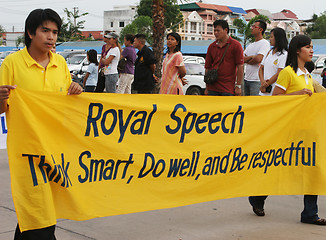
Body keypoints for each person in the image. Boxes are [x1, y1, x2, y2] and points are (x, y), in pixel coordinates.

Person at [0, 8, 83, 239]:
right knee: (38, 211)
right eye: (45, 30)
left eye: (55, 32)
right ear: (30, 32)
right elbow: (1, 108)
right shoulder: (12, 63)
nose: (51, 37)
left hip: (56, 150)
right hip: (26, 151)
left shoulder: (61, 64)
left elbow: (68, 104)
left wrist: (76, 90)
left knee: (43, 213)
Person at [249, 35, 326, 225]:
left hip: (306, 131)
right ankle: (257, 197)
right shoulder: (288, 73)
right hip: (288, 132)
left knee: (312, 170)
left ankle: (310, 213)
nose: (311, 50)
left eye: (311, 47)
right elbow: (277, 100)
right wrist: (297, 94)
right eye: (308, 47)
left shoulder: (307, 75)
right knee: (279, 170)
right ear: (297, 50)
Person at [205, 19, 244, 96]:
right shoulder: (211, 46)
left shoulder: (236, 45)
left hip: (228, 88)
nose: (215, 33)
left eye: (218, 31)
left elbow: (240, 66)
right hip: (212, 87)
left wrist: (238, 86)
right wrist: (207, 88)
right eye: (214, 30)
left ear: (226, 30)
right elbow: (207, 67)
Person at [244, 20, 270, 96]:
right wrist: (252, 57)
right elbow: (242, 59)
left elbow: (259, 59)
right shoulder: (251, 45)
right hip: (246, 79)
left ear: (260, 29)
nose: (252, 28)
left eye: (254, 26)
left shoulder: (264, 43)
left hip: (256, 80)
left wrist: (248, 59)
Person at [258, 27, 288, 96]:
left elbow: (278, 74)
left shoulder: (284, 54)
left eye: (271, 37)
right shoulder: (269, 52)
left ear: (278, 38)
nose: (270, 39)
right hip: (263, 91)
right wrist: (262, 82)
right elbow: (261, 68)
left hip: (273, 90)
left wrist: (266, 84)